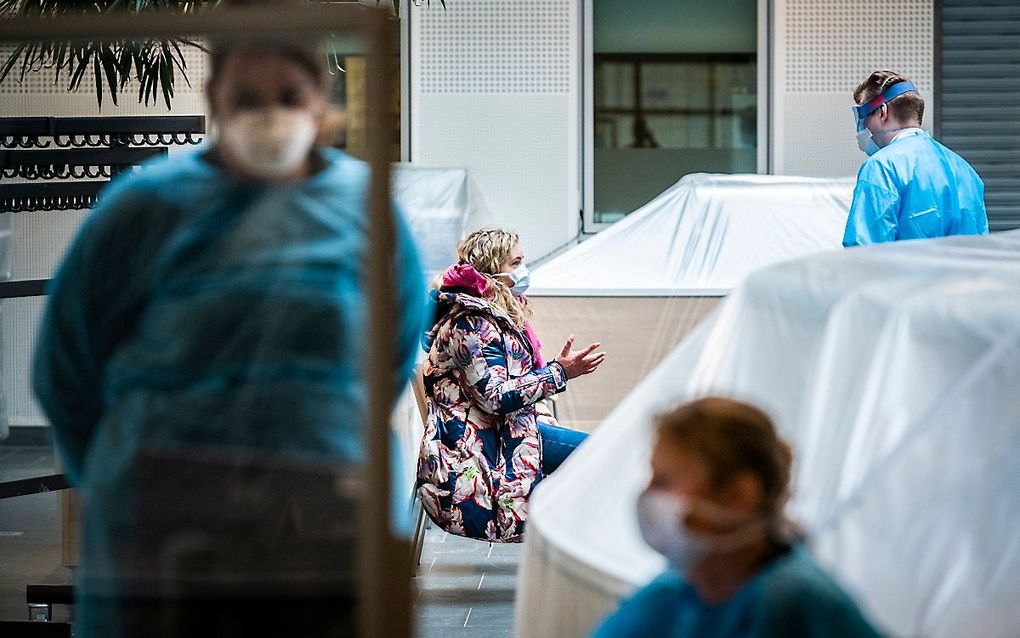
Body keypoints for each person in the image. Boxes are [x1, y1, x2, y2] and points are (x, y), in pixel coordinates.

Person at [32, 35, 425, 637]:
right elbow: (67, 367)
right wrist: (128, 479)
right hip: (160, 525)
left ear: (321, 100)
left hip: (318, 518)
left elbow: (391, 355)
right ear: (214, 99)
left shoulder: (365, 210)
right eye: (247, 97)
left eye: (288, 96)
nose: (269, 115)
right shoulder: (144, 207)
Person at [595, 397, 883, 638]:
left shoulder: (793, 607)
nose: (647, 495)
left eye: (665, 481)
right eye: (652, 476)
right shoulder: (676, 593)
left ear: (738, 496)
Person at [416, 228, 604, 542]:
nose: (523, 270)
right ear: (494, 268)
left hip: (507, 432)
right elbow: (495, 397)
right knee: (603, 455)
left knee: (602, 457)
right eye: (515, 262)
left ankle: (572, 545)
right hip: (486, 446)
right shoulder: (471, 323)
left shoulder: (489, 317)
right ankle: (576, 550)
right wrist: (560, 373)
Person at [843, 70, 988, 247]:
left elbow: (864, 250)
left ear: (883, 112)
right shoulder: (964, 169)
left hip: (903, 276)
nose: (864, 129)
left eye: (865, 119)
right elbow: (980, 251)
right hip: (961, 276)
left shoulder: (882, 167)